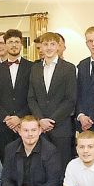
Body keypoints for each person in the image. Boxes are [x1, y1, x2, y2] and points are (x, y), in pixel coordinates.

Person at [28, 32, 77, 163]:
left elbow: (70, 99)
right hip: (40, 127)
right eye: (45, 44)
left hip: (61, 127)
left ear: (58, 47)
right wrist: (40, 119)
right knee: (41, 163)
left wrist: (51, 121)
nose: (49, 48)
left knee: (62, 164)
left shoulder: (69, 68)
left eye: (52, 44)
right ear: (41, 47)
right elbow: (31, 98)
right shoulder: (35, 68)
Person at [0, 29, 32, 154]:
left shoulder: (33, 67)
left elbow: (33, 97)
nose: (14, 45)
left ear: (21, 44)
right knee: (6, 162)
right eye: (10, 42)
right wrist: (7, 118)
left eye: (17, 42)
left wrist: (19, 118)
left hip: (25, 125)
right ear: (5, 45)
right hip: (3, 126)